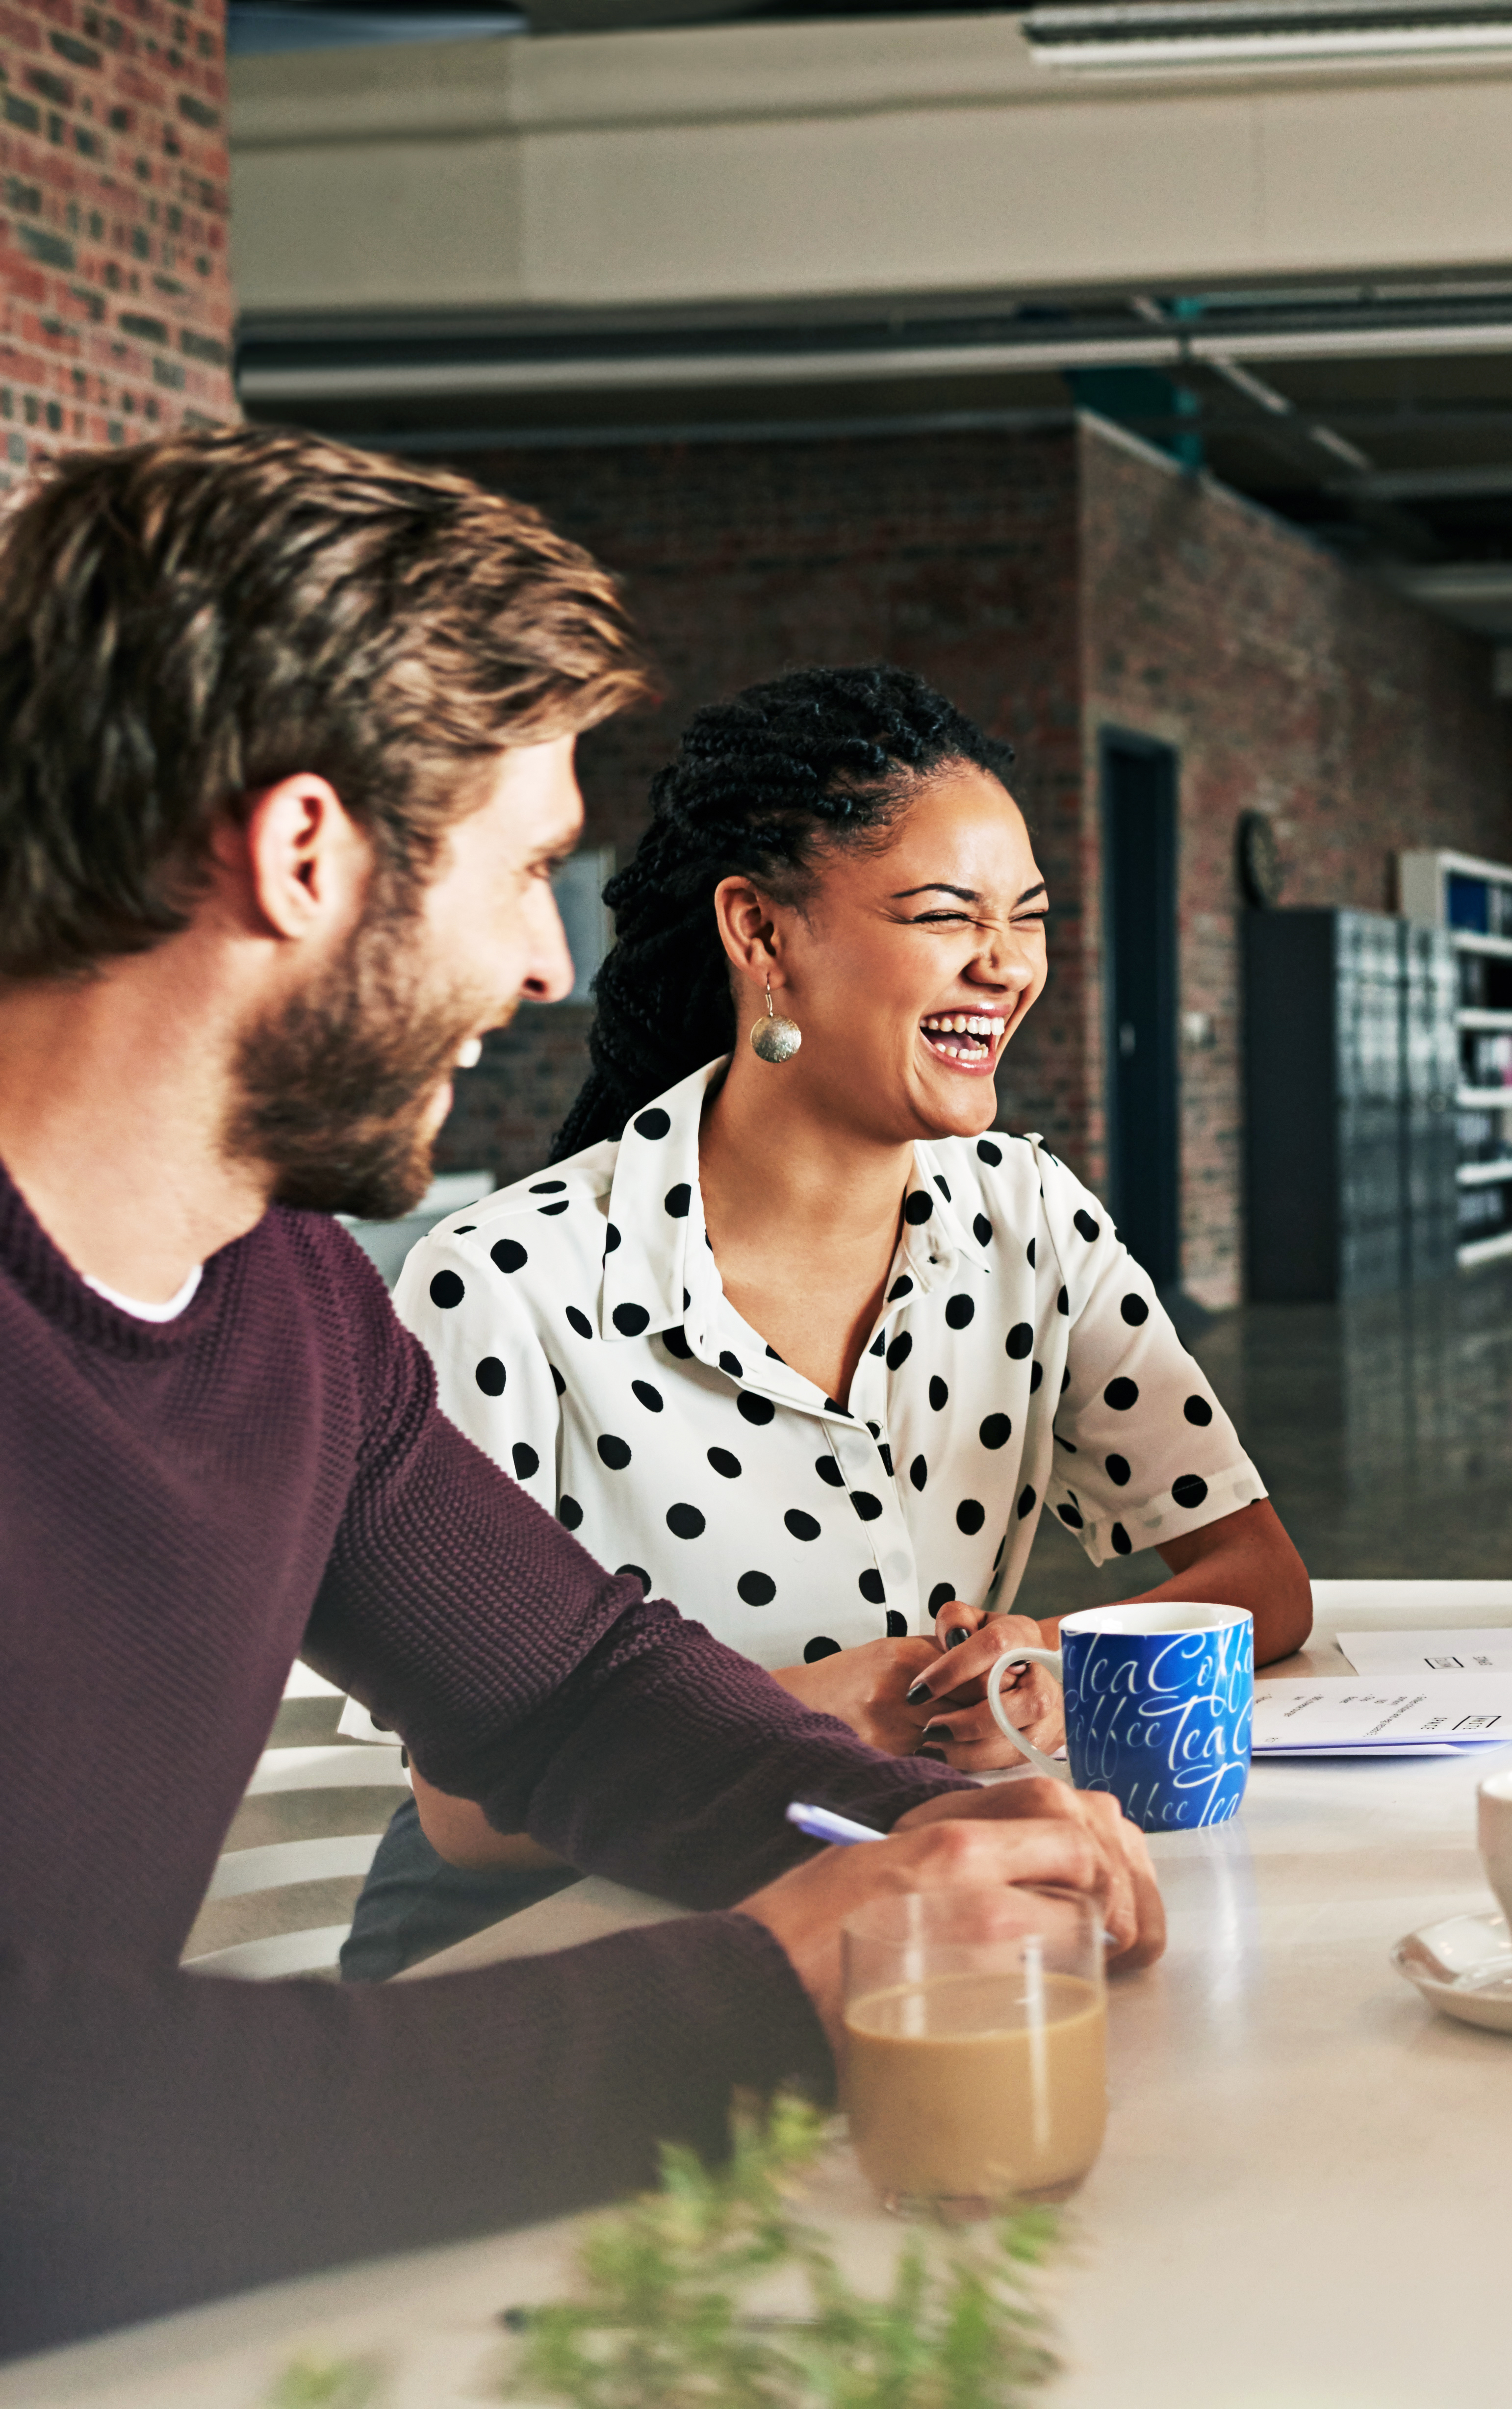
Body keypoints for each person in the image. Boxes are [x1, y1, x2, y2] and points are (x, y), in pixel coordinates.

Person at [0, 429, 1167, 2361]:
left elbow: (568, 1689)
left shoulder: (284, 1298)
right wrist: (768, 2001)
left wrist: (917, 1842)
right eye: (528, 867)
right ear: (304, 855)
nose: (548, 967)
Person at [342, 665, 1313, 1977]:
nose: (1007, 963)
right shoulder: (505, 1285)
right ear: (761, 932)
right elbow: (464, 1810)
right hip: (546, 1963)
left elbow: (1262, 1581)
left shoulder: (1032, 1217)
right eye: (941, 914)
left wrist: (1052, 1660)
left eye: (1026, 917)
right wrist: (819, 1716)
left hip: (894, 1904)